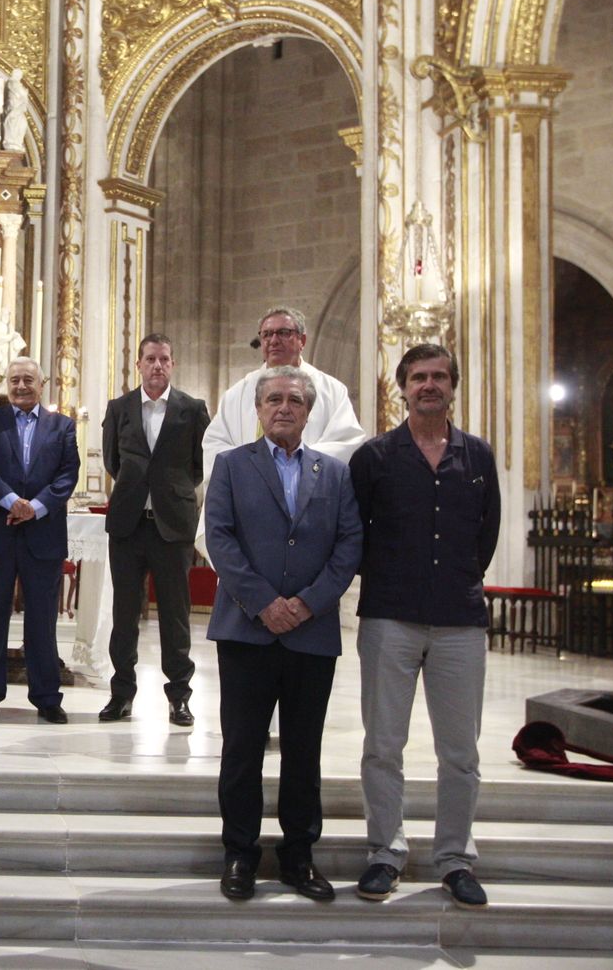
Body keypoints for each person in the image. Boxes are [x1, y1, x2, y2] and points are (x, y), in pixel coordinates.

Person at [349, 343, 501, 909]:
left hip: (459, 621)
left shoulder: (478, 456)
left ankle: (455, 859)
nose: (429, 385)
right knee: (384, 744)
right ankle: (385, 854)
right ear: (402, 387)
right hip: (390, 616)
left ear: (453, 386)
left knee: (460, 751)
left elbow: (486, 536)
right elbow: (354, 535)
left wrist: (454, 580)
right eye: (419, 377)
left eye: (439, 376)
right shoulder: (376, 457)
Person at [204, 366, 362, 902]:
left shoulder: (334, 473)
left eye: (294, 400)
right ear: (258, 407)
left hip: (310, 634)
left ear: (309, 410)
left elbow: (348, 546)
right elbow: (220, 540)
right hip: (247, 631)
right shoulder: (231, 466)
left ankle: (299, 855)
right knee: (242, 748)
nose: (284, 408)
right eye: (273, 399)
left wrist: (307, 604)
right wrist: (264, 603)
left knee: (304, 749)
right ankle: (240, 853)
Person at [100, 333, 209, 727]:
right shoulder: (119, 408)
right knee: (124, 614)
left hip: (172, 527)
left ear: (172, 364)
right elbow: (114, 461)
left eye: (164, 358)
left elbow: (198, 466)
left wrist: (168, 492)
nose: (157, 365)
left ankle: (179, 696)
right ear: (139, 365)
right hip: (129, 526)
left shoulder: (192, 409)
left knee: (176, 616)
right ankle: (121, 695)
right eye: (150, 359)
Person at [197, 305, 364, 558]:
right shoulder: (237, 394)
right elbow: (215, 444)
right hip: (249, 509)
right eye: (267, 334)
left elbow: (347, 442)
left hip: (307, 510)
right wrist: (250, 473)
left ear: (302, 340)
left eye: (284, 333)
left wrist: (294, 468)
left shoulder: (331, 390)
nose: (274, 340)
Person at [0, 358, 79, 723]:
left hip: (42, 536)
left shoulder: (62, 426)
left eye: (28, 379)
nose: (21, 386)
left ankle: (47, 697)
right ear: (6, 385)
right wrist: (12, 501)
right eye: (14, 380)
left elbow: (68, 474)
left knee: (42, 621)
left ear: (42, 384)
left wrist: (37, 507)